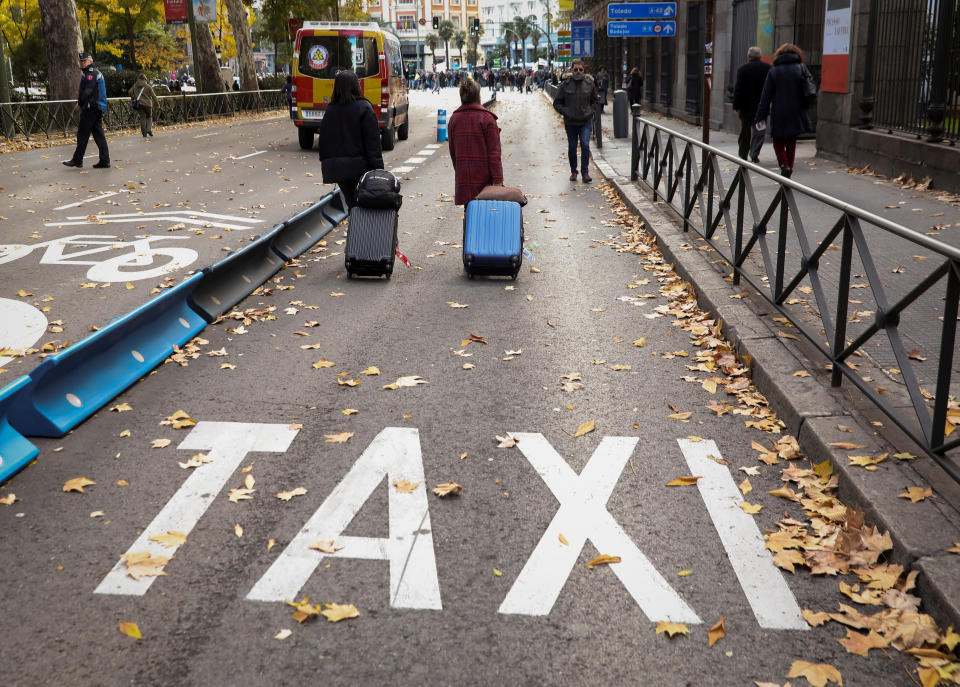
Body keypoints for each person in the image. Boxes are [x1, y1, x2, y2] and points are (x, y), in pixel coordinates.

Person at [317, 70, 384, 208]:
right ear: (356, 86)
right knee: (364, 206)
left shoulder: (330, 110)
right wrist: (378, 169)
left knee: (352, 203)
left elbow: (323, 142)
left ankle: (354, 228)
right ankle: (362, 229)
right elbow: (373, 143)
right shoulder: (364, 107)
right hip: (360, 167)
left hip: (337, 170)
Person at [754, 43, 813, 178]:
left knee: (778, 141)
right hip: (796, 110)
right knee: (791, 141)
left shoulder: (774, 71)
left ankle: (783, 165)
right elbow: (809, 87)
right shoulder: (801, 68)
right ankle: (790, 168)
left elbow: (765, 96)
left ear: (779, 55)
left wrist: (760, 116)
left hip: (779, 110)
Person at [447, 78, 503, 206]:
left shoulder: (454, 119)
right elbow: (494, 155)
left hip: (464, 179)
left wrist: (460, 171)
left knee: (470, 216)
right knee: (486, 217)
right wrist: (498, 181)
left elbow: (453, 152)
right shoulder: (487, 119)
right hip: (485, 182)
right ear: (478, 96)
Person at [553, 58, 597, 183]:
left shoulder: (589, 84)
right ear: (572, 70)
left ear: (584, 70)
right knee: (572, 147)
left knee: (585, 145)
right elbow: (557, 103)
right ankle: (573, 171)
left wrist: (591, 111)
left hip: (585, 121)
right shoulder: (565, 84)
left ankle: (585, 172)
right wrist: (566, 112)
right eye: (576, 69)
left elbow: (595, 101)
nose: (578, 72)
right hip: (570, 122)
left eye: (580, 70)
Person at [63, 52, 109, 169]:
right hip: (97, 107)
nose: (82, 63)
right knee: (99, 135)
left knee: (82, 135)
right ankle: (105, 160)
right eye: (81, 61)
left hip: (91, 108)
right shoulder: (94, 72)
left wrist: (80, 103)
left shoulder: (91, 73)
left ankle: (77, 160)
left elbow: (88, 90)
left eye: (84, 61)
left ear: (90, 61)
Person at [732, 46, 771, 162]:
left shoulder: (743, 69)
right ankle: (754, 153)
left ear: (749, 56)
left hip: (745, 107)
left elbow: (738, 89)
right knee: (759, 131)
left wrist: (736, 106)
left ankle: (743, 153)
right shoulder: (768, 69)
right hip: (762, 107)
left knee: (745, 131)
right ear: (760, 57)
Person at [128, 73, 159, 139]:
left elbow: (130, 92)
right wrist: (157, 104)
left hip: (139, 104)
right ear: (145, 79)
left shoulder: (135, 85)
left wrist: (133, 97)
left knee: (142, 118)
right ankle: (149, 129)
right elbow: (153, 96)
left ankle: (144, 133)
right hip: (148, 104)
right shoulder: (148, 86)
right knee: (149, 117)